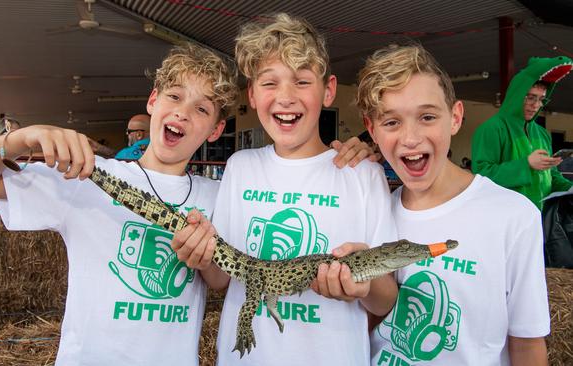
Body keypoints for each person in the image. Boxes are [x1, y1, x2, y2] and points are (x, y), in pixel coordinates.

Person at [0, 43, 239, 366]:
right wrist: (21, 139)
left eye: (202, 109)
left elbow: (220, 281)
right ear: (154, 100)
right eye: (175, 96)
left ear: (216, 130)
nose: (183, 111)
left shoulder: (218, 195)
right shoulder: (88, 176)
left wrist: (205, 258)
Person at [175, 13, 398, 365]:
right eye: (269, 83)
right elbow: (220, 278)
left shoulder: (362, 173)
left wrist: (365, 285)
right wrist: (200, 254)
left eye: (302, 81)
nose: (286, 97)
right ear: (252, 94)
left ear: (328, 90)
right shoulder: (241, 167)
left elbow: (385, 300)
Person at [321, 44, 549, 365]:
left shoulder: (512, 215)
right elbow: (368, 325)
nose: (410, 138)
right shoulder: (374, 209)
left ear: (455, 118)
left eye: (427, 117)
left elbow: (527, 343)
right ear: (371, 129)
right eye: (391, 122)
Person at [472, 56, 573, 210]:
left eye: (541, 99)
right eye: (531, 98)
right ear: (517, 95)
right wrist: (526, 164)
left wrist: (569, 189)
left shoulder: (542, 134)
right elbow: (481, 176)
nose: (536, 105)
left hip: (540, 219)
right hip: (506, 218)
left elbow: (552, 176)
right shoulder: (492, 129)